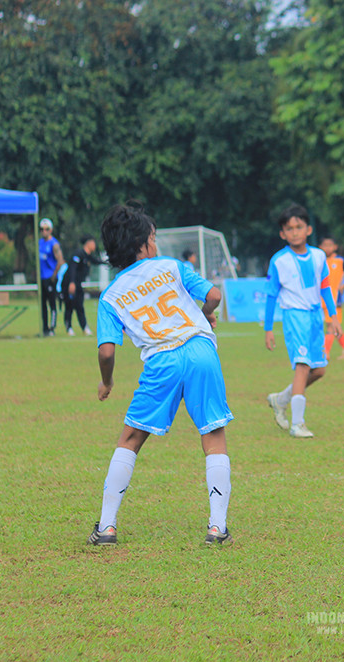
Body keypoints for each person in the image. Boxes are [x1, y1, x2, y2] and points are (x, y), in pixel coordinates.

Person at [87, 202, 234, 546]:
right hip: (200, 351)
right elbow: (214, 295)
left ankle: (107, 527)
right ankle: (217, 527)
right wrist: (203, 314)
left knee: (130, 440)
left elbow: (107, 350)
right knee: (213, 435)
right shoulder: (171, 266)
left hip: (161, 360)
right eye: (152, 238)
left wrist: (107, 381)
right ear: (144, 243)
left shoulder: (110, 296)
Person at [264, 205, 342, 438]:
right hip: (294, 317)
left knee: (319, 370)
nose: (295, 232)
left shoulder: (319, 256)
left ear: (308, 229)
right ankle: (297, 423)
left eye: (299, 227)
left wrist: (333, 317)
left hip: (315, 317)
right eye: (289, 229)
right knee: (302, 366)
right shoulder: (279, 261)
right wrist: (268, 329)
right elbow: (271, 295)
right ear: (282, 234)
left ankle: (281, 399)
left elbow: (326, 288)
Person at [320, 236, 344, 360]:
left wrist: (343, 285)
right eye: (325, 245)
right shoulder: (320, 260)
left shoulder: (340, 260)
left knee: (331, 326)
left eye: (330, 245)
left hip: (335, 299)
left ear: (335, 247)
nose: (327, 248)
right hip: (322, 299)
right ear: (321, 247)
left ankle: (325, 353)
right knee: (332, 326)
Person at [63, 235, 104, 336]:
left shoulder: (88, 256)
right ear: (89, 243)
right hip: (69, 283)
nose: (95, 245)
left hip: (78, 284)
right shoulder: (78, 254)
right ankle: (69, 328)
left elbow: (96, 261)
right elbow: (72, 268)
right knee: (69, 306)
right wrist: (71, 283)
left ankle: (84, 327)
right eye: (93, 243)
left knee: (80, 306)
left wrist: (110, 262)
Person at [38, 218, 64, 336]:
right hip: (42, 278)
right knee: (42, 304)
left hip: (50, 278)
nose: (44, 231)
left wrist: (54, 276)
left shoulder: (54, 244)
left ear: (51, 230)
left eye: (46, 229)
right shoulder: (39, 243)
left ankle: (52, 328)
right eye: (42, 229)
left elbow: (60, 261)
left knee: (52, 304)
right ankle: (44, 329)